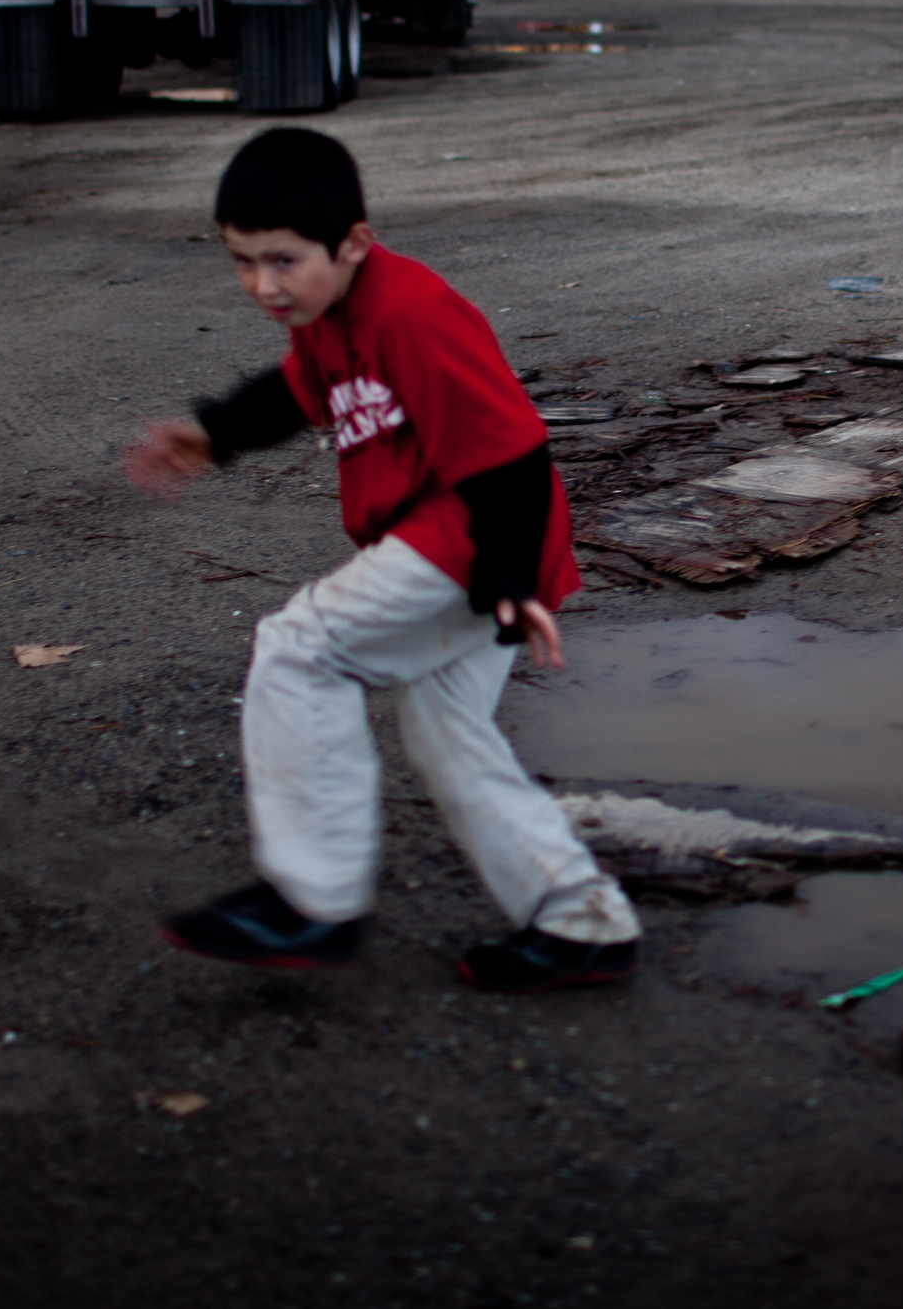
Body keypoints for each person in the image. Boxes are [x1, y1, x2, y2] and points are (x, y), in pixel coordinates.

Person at [122, 127, 640, 992]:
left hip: (476, 534)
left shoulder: (411, 310)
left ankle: (312, 897)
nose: (262, 285)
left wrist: (509, 580)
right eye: (244, 262)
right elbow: (299, 390)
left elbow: (513, 451)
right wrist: (213, 433)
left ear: (355, 242)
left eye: (283, 261)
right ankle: (583, 922)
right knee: (448, 738)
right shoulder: (329, 312)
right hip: (468, 550)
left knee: (299, 646)